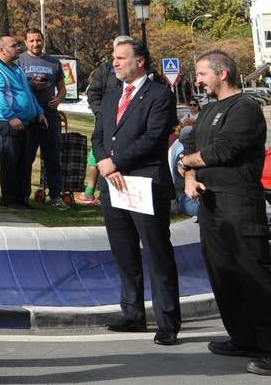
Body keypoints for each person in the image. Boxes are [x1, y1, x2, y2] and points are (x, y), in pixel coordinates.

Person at [179, 50, 271, 376]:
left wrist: (188, 164)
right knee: (222, 275)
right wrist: (189, 176)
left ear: (222, 73)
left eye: (202, 73)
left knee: (253, 275)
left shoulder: (245, 107)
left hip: (239, 201)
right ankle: (243, 338)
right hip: (210, 203)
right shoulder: (208, 110)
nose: (198, 80)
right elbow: (189, 150)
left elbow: (224, 150)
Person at [92, 39, 180, 344]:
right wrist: (106, 164)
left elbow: (154, 137)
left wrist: (114, 162)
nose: (114, 63)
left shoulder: (159, 95)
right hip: (112, 184)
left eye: (121, 58)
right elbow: (98, 135)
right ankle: (132, 313)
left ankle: (167, 321)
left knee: (156, 253)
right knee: (124, 251)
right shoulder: (111, 97)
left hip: (144, 182)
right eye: (113, 58)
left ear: (140, 61)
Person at [0, 34, 46, 209]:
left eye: (18, 45)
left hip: (27, 122)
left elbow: (27, 92)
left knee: (25, 161)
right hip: (7, 123)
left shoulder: (17, 68)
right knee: (10, 161)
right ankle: (10, 199)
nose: (18, 48)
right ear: (2, 50)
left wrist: (39, 111)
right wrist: (10, 117)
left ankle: (22, 198)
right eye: (13, 45)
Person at [75, 34, 136, 207]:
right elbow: (93, 94)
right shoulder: (105, 70)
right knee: (98, 154)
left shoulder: (144, 73)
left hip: (129, 121)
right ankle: (93, 190)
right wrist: (102, 114)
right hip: (106, 121)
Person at [19, 28, 66, 209]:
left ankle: (56, 196)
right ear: (26, 42)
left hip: (50, 116)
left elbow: (62, 88)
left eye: (38, 40)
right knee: (26, 157)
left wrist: (58, 99)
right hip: (29, 117)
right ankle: (23, 196)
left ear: (43, 40)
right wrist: (29, 84)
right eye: (31, 41)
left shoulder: (54, 63)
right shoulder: (20, 61)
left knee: (52, 157)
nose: (35, 44)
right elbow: (15, 87)